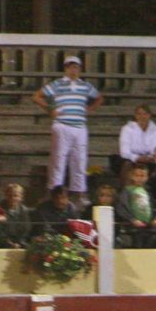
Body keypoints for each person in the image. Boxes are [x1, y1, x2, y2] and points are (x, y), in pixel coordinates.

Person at [32, 55, 103, 208]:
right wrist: (50, 109)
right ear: (65, 68)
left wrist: (89, 109)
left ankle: (79, 193)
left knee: (79, 160)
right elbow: (37, 96)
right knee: (58, 159)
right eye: (70, 67)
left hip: (79, 126)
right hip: (62, 124)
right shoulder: (57, 84)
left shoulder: (85, 86)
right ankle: (54, 191)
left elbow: (99, 98)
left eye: (76, 67)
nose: (73, 70)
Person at [116, 163, 156, 249]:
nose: (140, 178)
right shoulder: (127, 190)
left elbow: (153, 206)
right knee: (138, 246)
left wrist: (155, 218)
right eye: (137, 175)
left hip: (149, 226)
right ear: (132, 176)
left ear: (147, 177)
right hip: (134, 227)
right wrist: (132, 220)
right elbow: (121, 207)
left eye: (143, 176)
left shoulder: (147, 191)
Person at [116, 104, 156, 178]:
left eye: (145, 114)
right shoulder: (127, 129)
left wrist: (149, 158)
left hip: (149, 158)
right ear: (135, 116)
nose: (142, 117)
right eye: (139, 114)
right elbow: (124, 151)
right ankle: (128, 189)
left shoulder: (155, 130)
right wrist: (137, 158)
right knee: (127, 165)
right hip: (131, 158)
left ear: (149, 115)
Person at [0, 182, 33, 248]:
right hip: (1, 243)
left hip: (20, 243)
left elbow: (26, 230)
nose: (12, 198)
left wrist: (19, 243)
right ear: (6, 195)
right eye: (10, 195)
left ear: (21, 197)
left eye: (15, 196)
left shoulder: (24, 211)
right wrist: (9, 243)